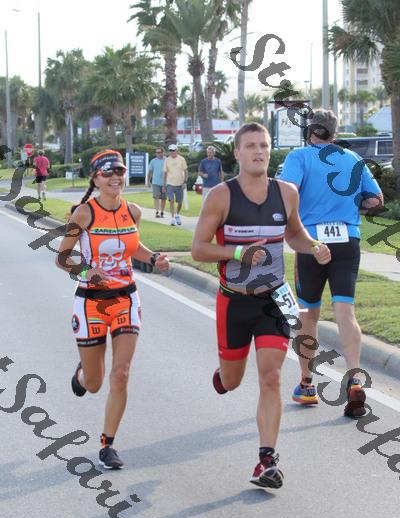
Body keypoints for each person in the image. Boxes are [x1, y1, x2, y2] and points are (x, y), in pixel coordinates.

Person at [191, 122, 331, 489]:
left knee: (271, 377)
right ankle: (224, 375)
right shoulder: (221, 196)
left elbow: (294, 234)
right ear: (236, 152)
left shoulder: (286, 193)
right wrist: (238, 252)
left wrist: (313, 246)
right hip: (234, 302)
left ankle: (267, 460)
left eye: (264, 145)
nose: (259, 151)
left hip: (274, 299)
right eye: (251, 145)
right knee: (233, 381)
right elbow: (198, 249)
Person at [56, 149, 170, 469]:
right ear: (95, 179)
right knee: (95, 383)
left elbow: (133, 247)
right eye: (107, 172)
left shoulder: (133, 211)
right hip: (91, 301)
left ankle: (108, 444)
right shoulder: (83, 214)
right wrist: (85, 270)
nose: (115, 177)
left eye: (119, 170)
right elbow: (62, 257)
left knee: (121, 373)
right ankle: (82, 374)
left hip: (125, 299)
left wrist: (154, 258)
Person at [279, 109, 384, 417]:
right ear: (335, 132)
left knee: (308, 313)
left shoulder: (299, 157)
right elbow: (376, 200)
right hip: (347, 241)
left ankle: (307, 384)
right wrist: (352, 204)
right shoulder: (353, 159)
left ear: (309, 131)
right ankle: (355, 380)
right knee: (345, 312)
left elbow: (286, 194)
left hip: (311, 243)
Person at [162, 144, 188, 226]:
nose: (172, 152)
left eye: (173, 150)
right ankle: (172, 218)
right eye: (170, 150)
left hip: (180, 183)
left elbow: (186, 171)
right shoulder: (167, 160)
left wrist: (184, 182)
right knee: (171, 201)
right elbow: (165, 173)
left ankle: (177, 215)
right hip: (170, 183)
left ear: (176, 150)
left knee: (180, 202)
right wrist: (164, 185)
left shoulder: (181, 159)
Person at [147, 147, 166, 218]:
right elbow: (150, 172)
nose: (158, 154)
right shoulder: (153, 161)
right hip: (155, 182)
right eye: (157, 152)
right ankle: (157, 212)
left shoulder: (167, 160)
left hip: (165, 183)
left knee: (163, 198)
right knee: (156, 197)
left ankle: (162, 212)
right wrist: (148, 182)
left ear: (163, 153)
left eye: (159, 152)